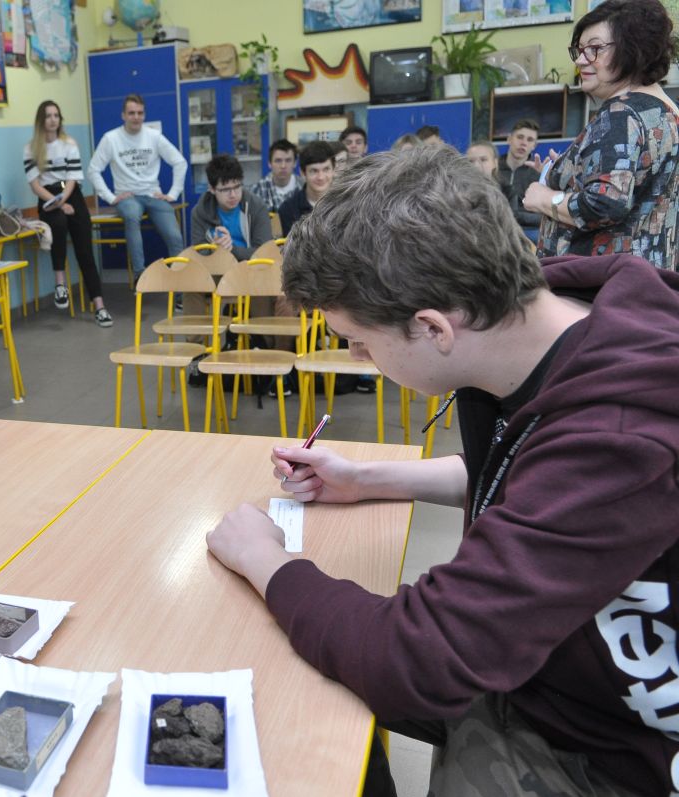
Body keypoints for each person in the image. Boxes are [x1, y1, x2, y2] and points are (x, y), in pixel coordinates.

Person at [206, 144, 679, 796]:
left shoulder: (623, 433)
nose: (361, 356)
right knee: (316, 693)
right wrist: (367, 478)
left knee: (314, 701)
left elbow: (419, 656)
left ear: (432, 328)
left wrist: (268, 561)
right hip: (549, 663)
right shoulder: (554, 317)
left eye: (362, 342)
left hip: (612, 743)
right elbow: (537, 473)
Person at [525, 0, 679, 270]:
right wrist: (569, 170)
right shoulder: (668, 112)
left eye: (595, 49)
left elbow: (606, 203)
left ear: (634, 49)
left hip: (596, 289)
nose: (581, 60)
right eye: (580, 50)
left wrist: (545, 198)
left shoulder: (621, 113)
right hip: (645, 285)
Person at [23, 100, 112, 327]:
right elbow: (35, 185)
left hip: (70, 192)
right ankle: (60, 282)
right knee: (59, 223)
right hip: (46, 195)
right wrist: (59, 205)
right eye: (48, 116)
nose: (53, 119)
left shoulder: (69, 144)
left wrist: (64, 200)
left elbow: (72, 178)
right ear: (41, 121)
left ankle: (99, 305)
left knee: (85, 250)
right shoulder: (31, 148)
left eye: (56, 115)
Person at [88, 93, 187, 279]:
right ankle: (140, 275)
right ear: (123, 115)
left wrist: (173, 194)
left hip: (153, 194)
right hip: (128, 197)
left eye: (140, 113)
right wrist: (110, 198)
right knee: (132, 216)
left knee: (175, 237)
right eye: (131, 113)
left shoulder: (154, 136)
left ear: (144, 114)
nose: (136, 117)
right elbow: (93, 170)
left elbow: (180, 162)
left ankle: (180, 286)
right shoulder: (110, 138)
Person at [190, 153, 271, 261]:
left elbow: (263, 252)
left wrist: (231, 249)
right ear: (212, 189)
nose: (233, 195)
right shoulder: (199, 212)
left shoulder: (257, 207)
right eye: (225, 190)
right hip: (215, 271)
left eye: (237, 187)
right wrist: (214, 249)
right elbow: (199, 254)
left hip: (251, 270)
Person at [276, 141, 336, 235]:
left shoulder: (346, 204)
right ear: (303, 173)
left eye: (326, 169)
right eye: (314, 171)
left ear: (333, 170)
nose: (321, 177)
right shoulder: (288, 209)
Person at [497, 119, 543, 238]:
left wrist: (515, 216)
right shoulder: (493, 168)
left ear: (534, 146)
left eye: (530, 140)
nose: (524, 143)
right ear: (509, 139)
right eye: (520, 137)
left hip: (527, 231)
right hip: (496, 226)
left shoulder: (539, 173)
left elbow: (543, 215)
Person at [251, 139, 303, 215]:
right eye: (278, 161)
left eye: (288, 160)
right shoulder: (257, 191)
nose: (283, 166)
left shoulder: (304, 188)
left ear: (295, 163)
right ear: (269, 163)